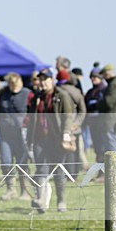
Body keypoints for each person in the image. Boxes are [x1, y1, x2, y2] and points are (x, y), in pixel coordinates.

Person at [26, 69, 75, 213]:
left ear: (52, 80)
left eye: (46, 79)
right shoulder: (36, 97)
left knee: (58, 170)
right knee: (41, 169)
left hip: (57, 139)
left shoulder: (61, 95)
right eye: (40, 80)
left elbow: (68, 116)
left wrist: (66, 132)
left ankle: (61, 201)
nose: (43, 82)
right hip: (40, 139)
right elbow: (31, 119)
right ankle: (41, 201)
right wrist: (29, 139)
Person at [0, 72, 32, 201]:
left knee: (22, 163)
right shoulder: (4, 94)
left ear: (20, 82)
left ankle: (25, 191)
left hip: (21, 135)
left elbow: (32, 112)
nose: (13, 87)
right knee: (5, 162)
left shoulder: (27, 94)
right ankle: (11, 189)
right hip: (5, 134)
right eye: (11, 84)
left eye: (15, 84)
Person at [56, 65, 87, 178]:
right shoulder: (77, 92)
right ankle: (74, 174)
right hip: (75, 127)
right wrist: (76, 123)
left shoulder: (57, 91)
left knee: (63, 150)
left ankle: (65, 174)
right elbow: (83, 110)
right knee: (75, 151)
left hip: (62, 125)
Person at [98, 64, 116, 176]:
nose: (104, 78)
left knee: (113, 149)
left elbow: (108, 103)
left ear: (109, 73)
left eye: (105, 74)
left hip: (111, 122)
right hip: (114, 121)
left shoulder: (115, 85)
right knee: (112, 148)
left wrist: (97, 103)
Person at [83, 67, 108, 166]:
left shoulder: (105, 90)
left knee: (103, 148)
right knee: (97, 148)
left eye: (95, 77)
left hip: (102, 123)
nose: (93, 79)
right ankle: (100, 170)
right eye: (92, 77)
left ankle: (104, 172)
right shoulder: (90, 92)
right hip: (92, 123)